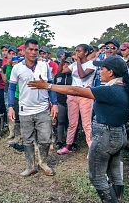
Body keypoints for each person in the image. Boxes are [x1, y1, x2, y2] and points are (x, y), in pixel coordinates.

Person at [29, 55, 129, 203]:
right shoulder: (122, 89)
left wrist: (47, 86)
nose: (100, 71)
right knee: (114, 175)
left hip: (105, 136)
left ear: (111, 72)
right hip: (118, 135)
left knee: (97, 176)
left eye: (103, 69)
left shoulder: (110, 91)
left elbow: (76, 91)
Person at [8, 39, 57, 177]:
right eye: (31, 49)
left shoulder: (44, 66)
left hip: (42, 108)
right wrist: (11, 107)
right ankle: (30, 166)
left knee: (45, 138)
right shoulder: (17, 68)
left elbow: (51, 86)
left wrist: (55, 104)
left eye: (36, 50)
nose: (34, 52)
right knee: (27, 139)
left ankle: (43, 163)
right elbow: (11, 88)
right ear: (24, 51)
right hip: (25, 109)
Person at [56, 44, 96, 155]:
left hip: (85, 95)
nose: (76, 53)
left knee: (86, 124)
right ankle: (68, 145)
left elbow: (82, 75)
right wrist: (63, 60)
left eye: (79, 51)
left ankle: (91, 149)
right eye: (75, 51)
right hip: (72, 95)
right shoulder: (73, 65)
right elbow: (60, 72)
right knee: (72, 123)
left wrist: (78, 61)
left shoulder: (91, 64)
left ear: (86, 53)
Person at [54, 57, 74, 149]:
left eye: (68, 64)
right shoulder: (58, 75)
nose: (66, 65)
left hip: (72, 102)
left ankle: (72, 142)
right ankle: (60, 141)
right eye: (64, 63)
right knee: (61, 122)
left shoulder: (74, 75)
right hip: (60, 101)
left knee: (72, 123)